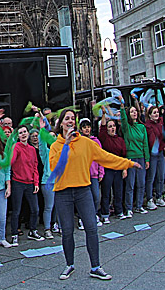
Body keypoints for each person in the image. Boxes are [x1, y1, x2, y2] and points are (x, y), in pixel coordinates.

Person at [49, 109, 140, 281]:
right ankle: (69, 265)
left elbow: (106, 157)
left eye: (72, 118)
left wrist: (127, 163)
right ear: (61, 123)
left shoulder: (86, 143)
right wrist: (66, 145)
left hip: (83, 190)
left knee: (91, 228)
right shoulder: (55, 146)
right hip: (63, 193)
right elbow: (55, 168)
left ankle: (96, 267)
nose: (70, 121)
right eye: (67, 118)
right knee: (67, 231)